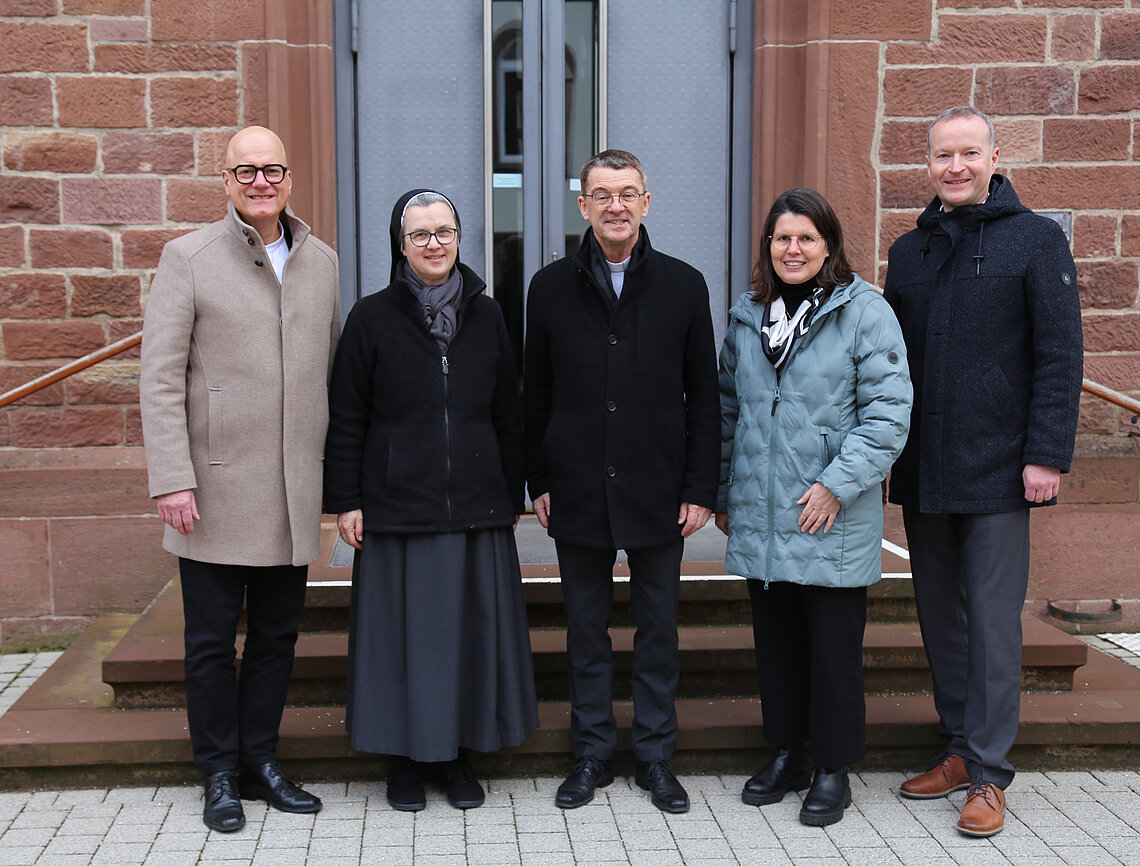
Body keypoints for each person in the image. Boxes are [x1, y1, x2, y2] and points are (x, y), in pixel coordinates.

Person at [885, 106, 1083, 837]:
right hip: (925, 469)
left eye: (970, 153)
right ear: (928, 162)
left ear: (995, 157)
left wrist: (1046, 454)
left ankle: (992, 774)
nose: (956, 166)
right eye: (944, 155)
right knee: (942, 621)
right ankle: (961, 749)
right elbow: (891, 366)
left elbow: (1062, 354)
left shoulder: (1036, 240)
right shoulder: (910, 251)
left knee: (995, 627)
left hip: (1002, 470)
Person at [139, 126, 339, 832]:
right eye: (246, 171)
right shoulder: (187, 258)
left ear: (289, 180)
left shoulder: (323, 262)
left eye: (273, 170)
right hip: (213, 491)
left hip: (292, 491)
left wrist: (338, 486)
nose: (261, 182)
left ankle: (261, 760)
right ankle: (218, 773)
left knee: (279, 637)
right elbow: (160, 377)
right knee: (210, 642)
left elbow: (334, 381)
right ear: (225, 181)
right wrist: (172, 478)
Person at [323, 189, 538, 812]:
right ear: (401, 244)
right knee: (402, 645)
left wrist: (514, 490)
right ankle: (403, 763)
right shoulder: (371, 317)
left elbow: (508, 410)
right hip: (398, 508)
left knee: (469, 639)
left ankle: (461, 757)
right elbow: (348, 416)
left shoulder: (489, 315)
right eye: (420, 235)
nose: (434, 243)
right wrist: (346, 500)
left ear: (459, 237)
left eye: (444, 231)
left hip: (476, 507)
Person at [524, 149, 720, 814]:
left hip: (660, 491)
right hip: (576, 488)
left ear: (646, 202)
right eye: (602, 194)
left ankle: (656, 757)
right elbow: (535, 395)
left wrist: (701, 487)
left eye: (627, 193)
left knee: (657, 631)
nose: (615, 206)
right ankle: (591, 754)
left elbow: (706, 397)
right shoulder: (548, 289)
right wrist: (538, 477)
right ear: (583, 206)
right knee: (586, 630)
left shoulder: (685, 286)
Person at [715, 188, 912, 827]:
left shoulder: (863, 313)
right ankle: (788, 754)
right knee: (777, 646)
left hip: (827, 509)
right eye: (781, 238)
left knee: (831, 650)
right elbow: (726, 413)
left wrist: (836, 485)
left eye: (805, 238)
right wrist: (724, 492)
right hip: (762, 513)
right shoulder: (749, 318)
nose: (792, 249)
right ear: (767, 247)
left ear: (828, 244)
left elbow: (887, 415)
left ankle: (832, 768)